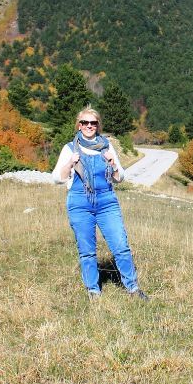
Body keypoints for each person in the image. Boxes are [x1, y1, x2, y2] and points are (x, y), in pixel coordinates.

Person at [51, 107, 148, 300]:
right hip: (80, 202)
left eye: (93, 123)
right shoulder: (70, 148)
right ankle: (93, 291)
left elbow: (120, 178)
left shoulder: (106, 147)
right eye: (85, 123)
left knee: (121, 246)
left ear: (98, 125)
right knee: (87, 251)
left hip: (106, 202)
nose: (89, 126)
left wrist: (112, 164)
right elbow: (57, 178)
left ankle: (133, 288)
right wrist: (70, 163)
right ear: (79, 125)